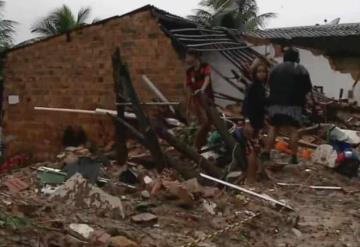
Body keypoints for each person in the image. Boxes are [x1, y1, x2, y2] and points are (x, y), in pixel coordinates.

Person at [263, 47, 312, 164]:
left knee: (273, 128)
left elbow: (269, 84)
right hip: (293, 105)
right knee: (293, 130)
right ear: (297, 57)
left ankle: (266, 153)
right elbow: (307, 88)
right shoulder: (301, 69)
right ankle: (294, 157)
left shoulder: (275, 69)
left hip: (275, 104)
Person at [185, 50, 214, 152]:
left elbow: (207, 79)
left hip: (208, 99)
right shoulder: (189, 72)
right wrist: (188, 105)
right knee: (204, 123)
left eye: (188, 56)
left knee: (209, 123)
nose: (186, 59)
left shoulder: (205, 67)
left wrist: (202, 90)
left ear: (194, 56)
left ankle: (203, 144)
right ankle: (195, 145)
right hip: (197, 101)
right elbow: (189, 89)